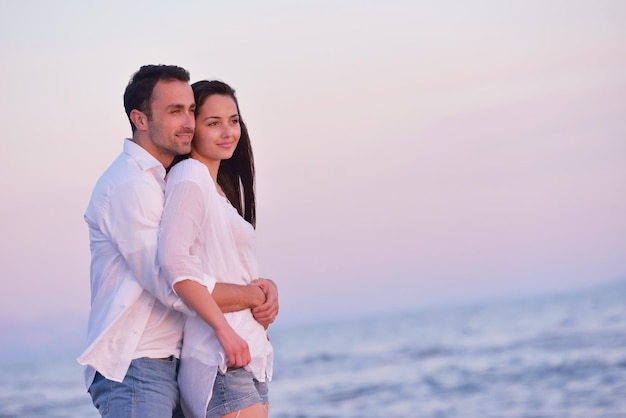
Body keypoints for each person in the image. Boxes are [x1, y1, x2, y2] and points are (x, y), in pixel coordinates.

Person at [77, 65, 278, 418]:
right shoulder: (131, 186)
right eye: (175, 111)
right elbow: (172, 282)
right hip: (137, 362)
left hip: (175, 357)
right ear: (139, 119)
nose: (188, 121)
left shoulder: (167, 181)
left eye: (190, 110)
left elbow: (207, 264)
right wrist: (251, 297)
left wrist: (261, 292)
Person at [158, 80, 275, 418]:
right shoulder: (190, 176)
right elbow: (174, 265)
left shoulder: (215, 189)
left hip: (245, 355)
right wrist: (228, 327)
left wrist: (265, 289)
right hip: (221, 358)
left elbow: (226, 268)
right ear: (192, 129)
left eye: (234, 120)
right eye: (213, 123)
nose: (228, 131)